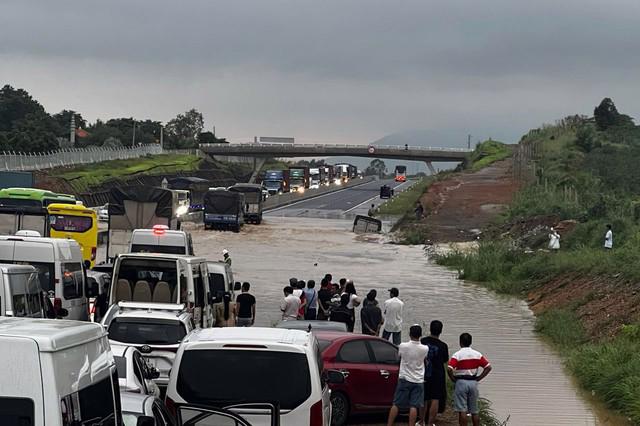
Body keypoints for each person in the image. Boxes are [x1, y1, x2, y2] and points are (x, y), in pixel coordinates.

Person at [386, 325, 429, 426]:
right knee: (414, 406)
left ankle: (389, 424)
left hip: (404, 378)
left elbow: (399, 357)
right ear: (420, 335)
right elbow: (425, 361)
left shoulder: (403, 346)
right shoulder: (425, 349)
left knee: (396, 404)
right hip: (418, 380)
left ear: (410, 334)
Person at [447, 333, 492, 426]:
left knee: (462, 410)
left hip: (461, 382)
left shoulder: (457, 355)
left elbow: (449, 368)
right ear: (470, 342)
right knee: (474, 410)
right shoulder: (477, 354)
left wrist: (452, 378)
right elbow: (488, 367)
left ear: (460, 342)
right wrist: (479, 378)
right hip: (473, 382)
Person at [420, 320, 449, 426]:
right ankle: (430, 423)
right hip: (438, 374)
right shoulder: (443, 346)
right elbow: (445, 360)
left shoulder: (422, 341)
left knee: (424, 397)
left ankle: (421, 421)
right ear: (440, 331)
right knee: (435, 398)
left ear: (430, 329)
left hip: (424, 372)